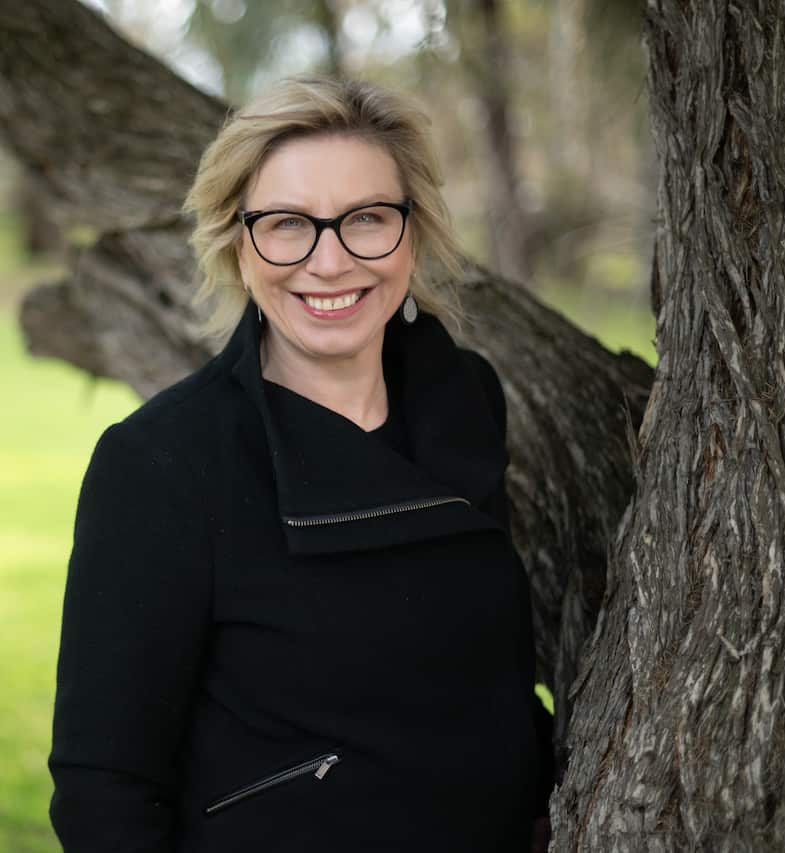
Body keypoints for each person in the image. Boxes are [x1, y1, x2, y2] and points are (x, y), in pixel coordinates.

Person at [47, 76, 555, 852]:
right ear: (236, 240)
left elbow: (488, 678)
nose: (330, 261)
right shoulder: (161, 462)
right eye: (287, 224)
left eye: (367, 219)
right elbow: (102, 786)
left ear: (411, 233)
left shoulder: (465, 398)